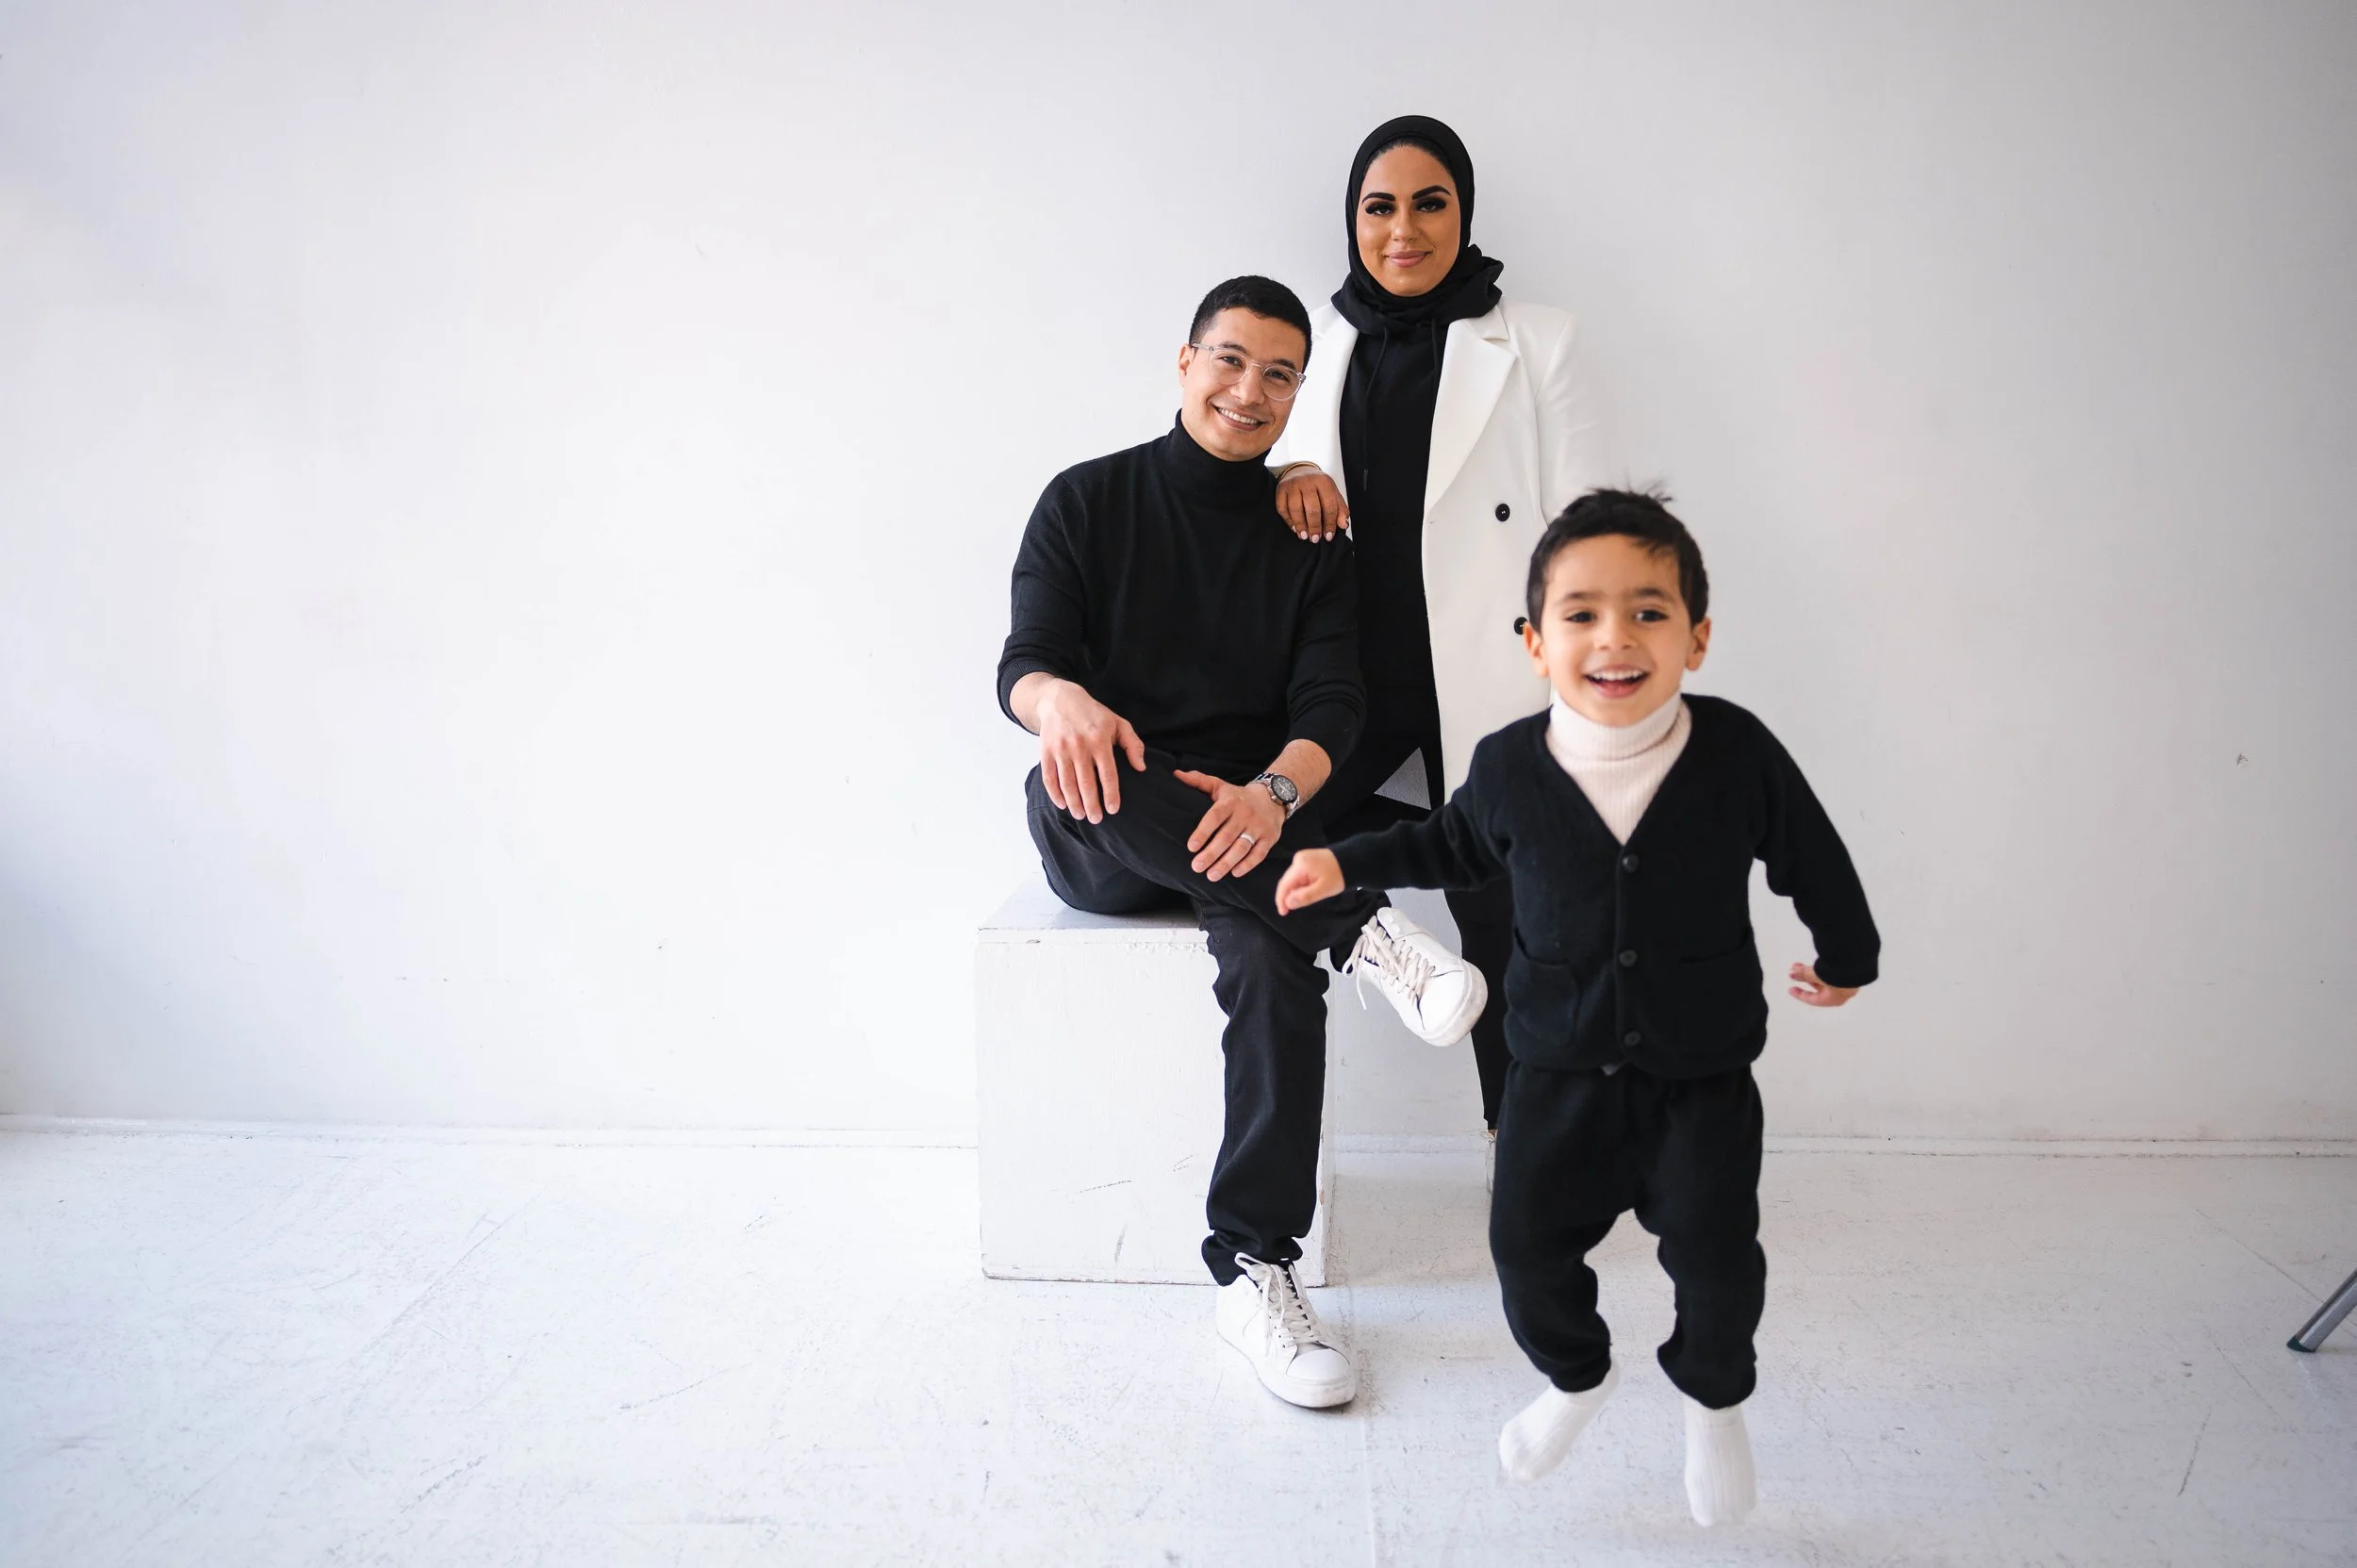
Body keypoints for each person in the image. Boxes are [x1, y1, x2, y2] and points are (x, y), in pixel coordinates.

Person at [1276, 489, 1880, 1523]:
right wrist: (1341, 858)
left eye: (1648, 611)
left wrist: (1847, 953)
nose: (1615, 636)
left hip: (1700, 1077)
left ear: (1697, 635)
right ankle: (1575, 1377)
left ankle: (1713, 1404)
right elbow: (1448, 845)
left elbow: (1809, 854)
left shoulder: (1735, 752)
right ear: (1533, 640)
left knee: (1720, 1263)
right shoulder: (1509, 765)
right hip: (1550, 1073)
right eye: (1581, 612)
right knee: (1525, 1252)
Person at [996, 275, 1484, 1410]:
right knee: (1088, 762)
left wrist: (1270, 794)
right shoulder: (1086, 501)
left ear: (1297, 393)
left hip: (1249, 826)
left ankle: (1254, 1269)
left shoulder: (1307, 532)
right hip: (1107, 824)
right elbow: (1024, 658)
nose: (1248, 390)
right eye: (1229, 360)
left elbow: (1334, 710)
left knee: (1272, 956)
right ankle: (1366, 933)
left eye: (1278, 374)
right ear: (1183, 362)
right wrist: (1052, 697)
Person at [1265, 116, 1610, 1171]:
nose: (1403, 229)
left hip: (1487, 667)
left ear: (1463, 212)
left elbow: (1590, 525)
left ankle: (1530, 1142)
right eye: (1380, 206)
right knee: (1278, 849)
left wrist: (1584, 686)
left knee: (1507, 913)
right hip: (1347, 681)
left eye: (1430, 203)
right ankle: (1374, 956)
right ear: (1353, 220)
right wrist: (1284, 477)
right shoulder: (1312, 350)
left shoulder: (1536, 337)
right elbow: (1242, 475)